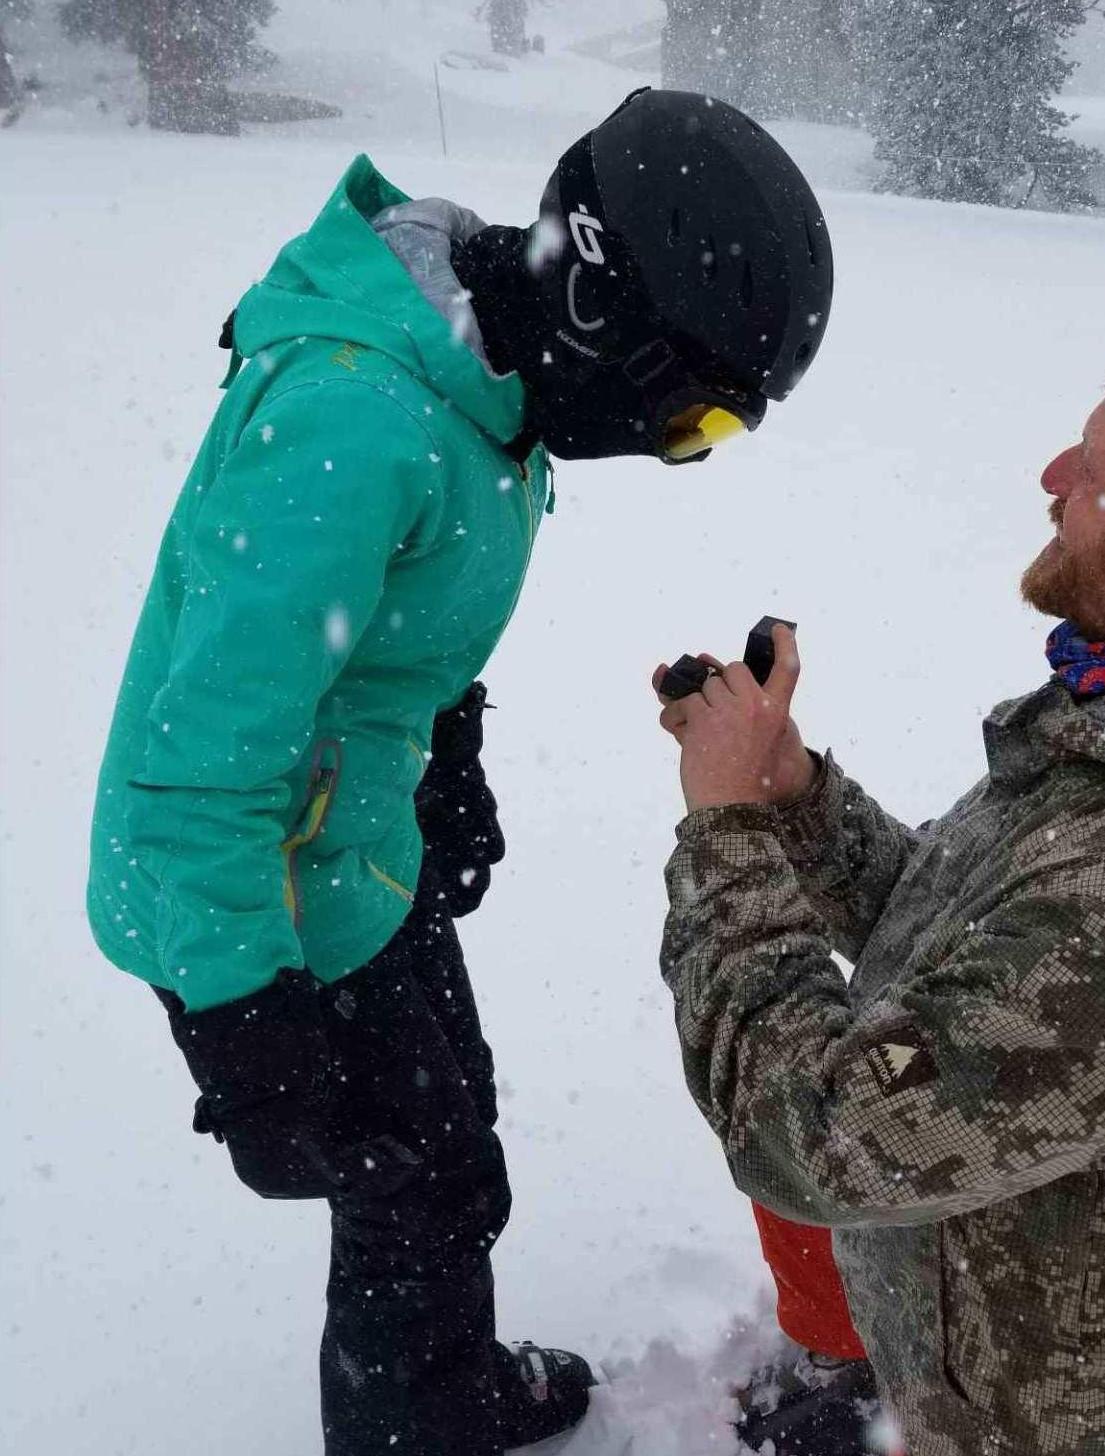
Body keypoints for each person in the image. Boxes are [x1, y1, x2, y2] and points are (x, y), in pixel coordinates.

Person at [85, 87, 833, 1456]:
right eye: (694, 426)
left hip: (352, 843)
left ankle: (440, 1381)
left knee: (446, 1136)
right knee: (409, 1186)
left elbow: (379, 621)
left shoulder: (483, 378)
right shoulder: (355, 422)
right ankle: (412, 1423)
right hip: (249, 895)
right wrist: (243, 1024)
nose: (679, 456)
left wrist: (445, 747)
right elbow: (200, 762)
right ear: (599, 308)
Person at [652, 322, 1105, 1456]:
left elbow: (809, 1130)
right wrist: (795, 795)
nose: (1053, 478)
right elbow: (975, 951)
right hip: (972, 1338)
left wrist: (730, 831)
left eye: (1094, 473)